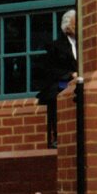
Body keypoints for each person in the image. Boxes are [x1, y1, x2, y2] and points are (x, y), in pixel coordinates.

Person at [37, 9, 78, 148]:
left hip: (80, 81)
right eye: (75, 23)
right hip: (62, 81)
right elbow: (51, 69)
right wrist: (71, 74)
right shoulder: (56, 46)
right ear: (67, 26)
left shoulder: (83, 43)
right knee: (58, 91)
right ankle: (57, 136)